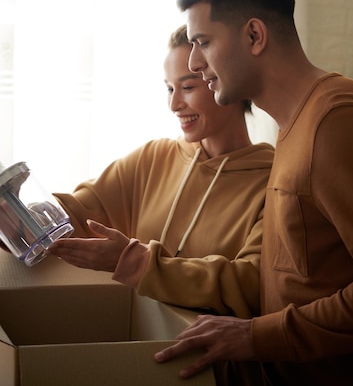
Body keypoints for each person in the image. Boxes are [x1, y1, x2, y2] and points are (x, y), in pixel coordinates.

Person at [154, 0, 353, 386]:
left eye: (203, 42)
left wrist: (257, 336)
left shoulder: (338, 121)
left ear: (254, 35)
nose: (196, 63)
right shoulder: (293, 124)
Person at [48, 24, 274, 319]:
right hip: (137, 341)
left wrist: (138, 262)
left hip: (210, 358)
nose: (174, 104)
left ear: (226, 82)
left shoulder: (272, 181)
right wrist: (19, 216)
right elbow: (76, 213)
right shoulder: (153, 158)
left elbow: (252, 284)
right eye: (169, 88)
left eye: (188, 87)